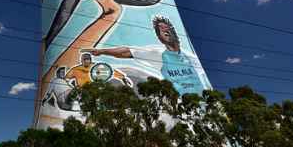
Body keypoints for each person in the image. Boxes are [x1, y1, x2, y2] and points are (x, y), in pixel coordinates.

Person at [82, 15, 210, 95]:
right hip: (186, 107)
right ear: (159, 37)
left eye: (168, 28)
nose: (166, 31)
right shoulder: (158, 54)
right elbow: (127, 51)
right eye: (162, 30)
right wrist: (102, 51)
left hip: (207, 105)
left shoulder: (191, 57)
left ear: (174, 31)